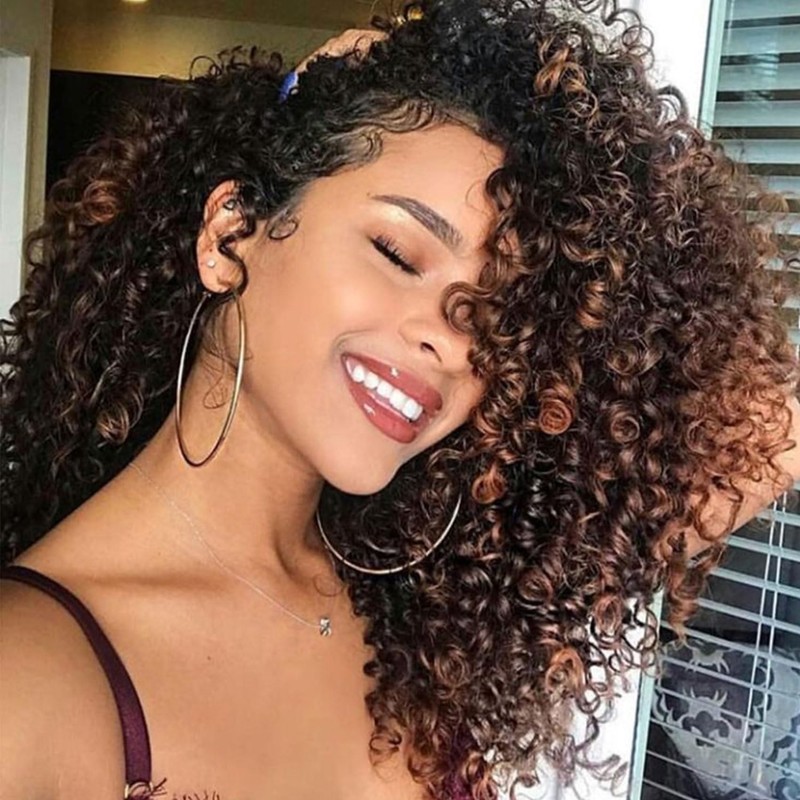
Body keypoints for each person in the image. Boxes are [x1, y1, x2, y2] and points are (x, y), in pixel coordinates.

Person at [1, 1, 798, 799]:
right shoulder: (30, 677)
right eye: (397, 253)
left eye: (494, 315)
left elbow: (772, 433)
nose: (451, 342)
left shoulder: (421, 604)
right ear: (231, 234)